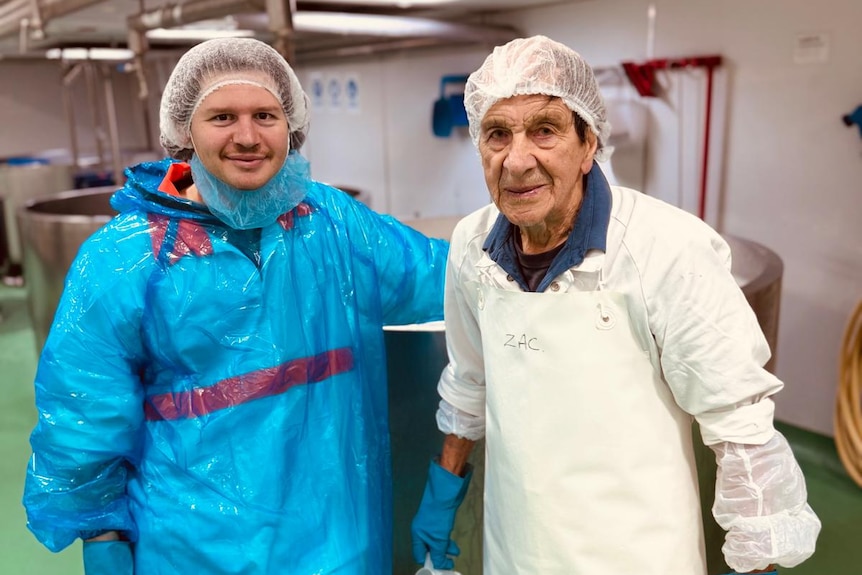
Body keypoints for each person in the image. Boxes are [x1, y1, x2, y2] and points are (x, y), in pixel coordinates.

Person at [23, 37, 448, 575]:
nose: (246, 136)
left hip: (338, 542)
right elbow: (82, 416)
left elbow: (442, 276)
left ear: (289, 127)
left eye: (265, 115)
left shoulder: (335, 226)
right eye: (222, 116)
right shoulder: (126, 258)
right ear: (185, 132)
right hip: (194, 549)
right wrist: (101, 534)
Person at [410, 35, 821, 574]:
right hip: (516, 546)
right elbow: (470, 383)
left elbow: (739, 429)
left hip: (637, 552)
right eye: (496, 134)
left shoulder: (666, 248)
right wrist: (444, 489)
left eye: (544, 131)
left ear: (588, 144)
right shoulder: (471, 245)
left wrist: (760, 557)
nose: (516, 160)